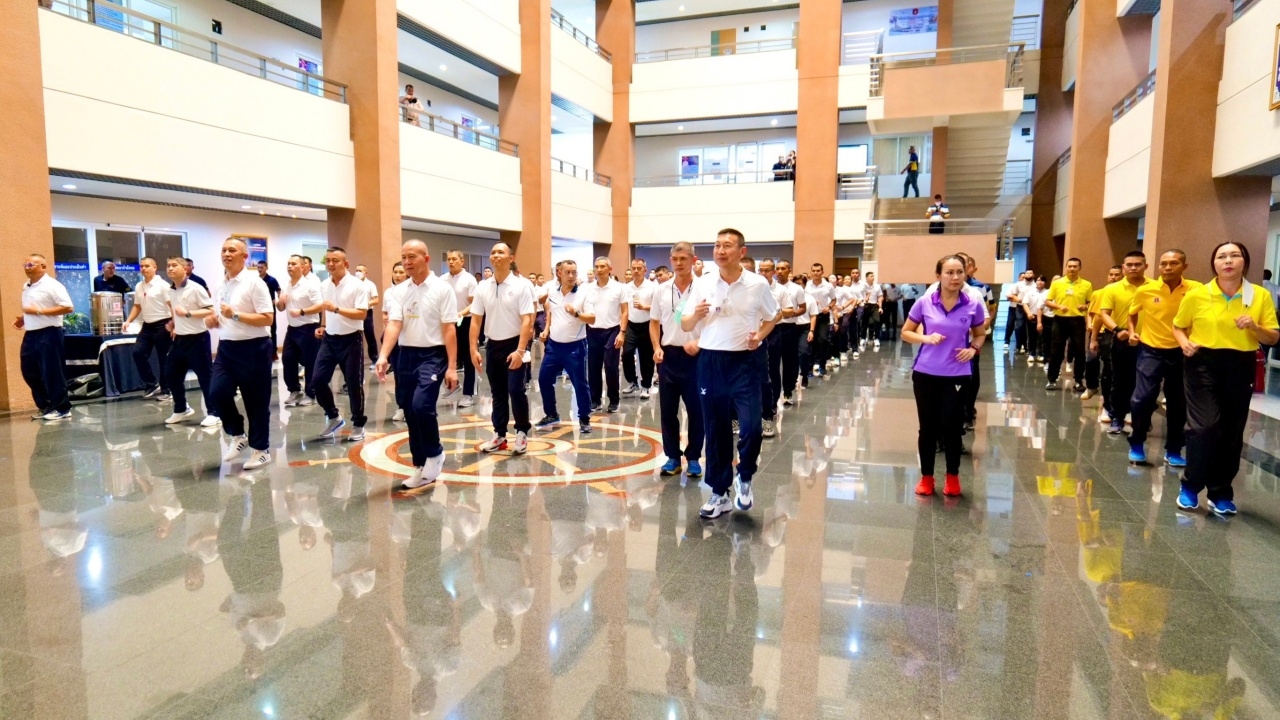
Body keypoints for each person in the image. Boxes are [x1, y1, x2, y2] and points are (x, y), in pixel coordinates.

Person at [1171, 242, 1279, 516]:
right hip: (1202, 363)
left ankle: (1220, 492)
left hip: (1240, 364)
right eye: (1221, 256)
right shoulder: (1197, 295)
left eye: (1235, 255)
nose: (1228, 260)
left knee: (1232, 433)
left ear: (1245, 261)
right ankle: (1191, 485)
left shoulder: (1259, 296)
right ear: (1214, 263)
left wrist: (1254, 326)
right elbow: (1178, 326)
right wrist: (1184, 343)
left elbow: (1273, 337)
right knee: (1204, 427)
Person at [681, 229, 779, 519]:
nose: (720, 250)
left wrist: (759, 336)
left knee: (751, 427)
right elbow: (685, 323)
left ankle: (744, 477)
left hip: (745, 364)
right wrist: (695, 316)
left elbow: (774, 317)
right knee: (716, 430)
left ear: (742, 251)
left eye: (727, 246)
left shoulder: (757, 284)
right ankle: (719, 492)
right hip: (710, 363)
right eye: (717, 245)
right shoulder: (703, 284)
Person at [376, 240, 459, 492]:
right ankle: (420, 464)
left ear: (426, 258)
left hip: (433, 355)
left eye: (411, 257)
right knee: (409, 410)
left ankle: (435, 454)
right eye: (403, 258)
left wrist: (452, 366)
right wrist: (383, 356)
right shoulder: (398, 291)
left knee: (421, 405)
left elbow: (449, 329)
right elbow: (394, 324)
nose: (406, 262)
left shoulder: (442, 289)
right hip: (406, 356)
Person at [902, 255, 986, 497]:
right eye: (949, 272)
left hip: (957, 375)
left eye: (959, 272)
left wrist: (973, 349)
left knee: (952, 427)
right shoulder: (924, 303)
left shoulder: (972, 304)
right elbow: (906, 332)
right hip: (925, 373)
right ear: (938, 275)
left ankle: (952, 477)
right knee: (927, 428)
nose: (955, 277)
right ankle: (927, 478)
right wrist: (925, 338)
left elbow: (980, 334)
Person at [1125, 250, 1200, 467]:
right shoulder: (1146, 290)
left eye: (1173, 263)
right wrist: (1132, 332)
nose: (1167, 267)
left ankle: (1174, 449)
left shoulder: (1196, 290)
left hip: (1182, 351)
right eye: (1163, 264)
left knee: (1178, 403)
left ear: (1184, 267)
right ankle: (1137, 442)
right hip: (1151, 350)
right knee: (1142, 399)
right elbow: (1132, 313)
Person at [207, 238, 275, 470]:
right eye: (223, 249)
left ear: (244, 256)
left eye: (232, 250)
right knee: (217, 393)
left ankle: (261, 450)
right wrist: (215, 320)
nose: (226, 254)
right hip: (227, 348)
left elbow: (268, 318)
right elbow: (222, 314)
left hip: (254, 347)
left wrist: (234, 315)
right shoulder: (221, 284)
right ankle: (237, 434)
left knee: (256, 402)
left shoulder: (255, 283)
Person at [470, 243, 535, 453]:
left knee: (516, 390)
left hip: (515, 344)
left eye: (501, 252)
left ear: (511, 258)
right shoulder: (483, 287)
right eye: (493, 252)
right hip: (493, 345)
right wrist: (473, 349)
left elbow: (528, 321)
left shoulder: (521, 286)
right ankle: (499, 435)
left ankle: (522, 432)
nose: (496, 255)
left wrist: (520, 350)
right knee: (497, 393)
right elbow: (476, 321)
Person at [649, 242, 704, 478]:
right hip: (669, 356)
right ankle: (672, 456)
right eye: (675, 259)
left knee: (696, 410)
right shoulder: (661, 289)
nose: (679, 263)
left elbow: (714, 323)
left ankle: (693, 457)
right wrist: (656, 347)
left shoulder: (704, 288)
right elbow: (653, 322)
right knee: (668, 410)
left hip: (696, 356)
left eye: (684, 258)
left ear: (693, 259)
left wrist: (700, 342)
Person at [313, 248, 372, 443]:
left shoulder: (357, 285)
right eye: (328, 260)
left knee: (354, 384)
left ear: (346, 264)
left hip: (351, 339)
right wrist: (323, 325)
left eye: (335, 260)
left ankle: (358, 424)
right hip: (330, 339)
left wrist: (336, 309)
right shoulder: (324, 284)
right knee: (318, 381)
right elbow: (325, 309)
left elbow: (362, 314)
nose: (330, 264)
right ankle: (333, 416)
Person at [1098, 252, 1158, 435]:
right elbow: (1104, 313)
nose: (1133, 268)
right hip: (1122, 339)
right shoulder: (1113, 289)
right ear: (1123, 267)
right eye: (1129, 265)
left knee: (1148, 382)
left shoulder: (1156, 287)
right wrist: (1118, 330)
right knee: (1120, 380)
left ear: (1146, 266)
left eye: (1137, 264)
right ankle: (1117, 416)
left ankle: (1143, 418)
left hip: (1150, 341)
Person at [535, 260, 593, 435]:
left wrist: (576, 313)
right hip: (553, 346)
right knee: (544, 379)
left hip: (575, 347)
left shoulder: (584, 294)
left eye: (574, 272)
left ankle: (584, 418)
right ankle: (551, 414)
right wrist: (546, 329)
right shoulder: (553, 291)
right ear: (559, 273)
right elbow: (550, 312)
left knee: (580, 384)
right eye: (567, 272)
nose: (571, 276)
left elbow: (592, 318)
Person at [16, 254, 75, 421]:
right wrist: (24, 318)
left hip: (50, 333)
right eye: (25, 264)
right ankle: (47, 405)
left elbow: (68, 307)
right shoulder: (27, 285)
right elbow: (33, 307)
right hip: (31, 333)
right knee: (29, 371)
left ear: (43, 266)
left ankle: (62, 408)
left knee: (52, 372)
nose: (27, 267)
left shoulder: (53, 285)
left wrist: (39, 312)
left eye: (31, 264)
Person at [163, 256, 220, 427]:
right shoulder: (170, 290)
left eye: (174, 266)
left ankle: (214, 413)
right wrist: (174, 324)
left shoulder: (196, 288)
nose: (170, 269)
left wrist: (187, 313)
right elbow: (175, 311)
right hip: (179, 339)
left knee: (205, 377)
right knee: (170, 374)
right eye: (168, 266)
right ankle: (181, 409)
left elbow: (210, 310)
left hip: (198, 339)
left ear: (185, 268)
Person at [124, 256, 174, 401]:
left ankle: (166, 390)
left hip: (163, 324)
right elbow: (137, 306)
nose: (144, 269)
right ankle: (151, 383)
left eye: (147, 266)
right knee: (138, 353)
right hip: (147, 325)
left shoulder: (163, 285)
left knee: (163, 358)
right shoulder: (139, 286)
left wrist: (174, 325)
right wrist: (128, 320)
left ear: (154, 267)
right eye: (141, 266)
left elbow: (172, 305)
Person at [279, 254, 323, 408]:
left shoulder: (310, 285)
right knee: (287, 358)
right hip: (292, 329)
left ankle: (311, 393)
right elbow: (280, 308)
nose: (290, 266)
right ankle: (294, 390)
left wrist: (302, 311)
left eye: (293, 264)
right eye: (288, 263)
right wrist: (280, 301)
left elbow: (320, 305)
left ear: (303, 267)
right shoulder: (287, 285)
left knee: (310, 362)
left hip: (308, 328)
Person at [583, 257, 625, 414]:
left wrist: (622, 332)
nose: (599, 270)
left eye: (602, 267)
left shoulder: (619, 288)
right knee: (593, 367)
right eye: (596, 267)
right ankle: (595, 400)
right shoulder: (588, 288)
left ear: (610, 269)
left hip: (612, 330)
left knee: (610, 366)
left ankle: (614, 400)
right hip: (593, 331)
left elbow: (625, 311)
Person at [1044, 258, 1092, 392]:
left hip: (1077, 320)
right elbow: (1048, 302)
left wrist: (1085, 306)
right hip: (1060, 320)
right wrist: (1058, 306)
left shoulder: (1086, 284)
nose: (1072, 269)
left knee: (1079, 352)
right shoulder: (1057, 283)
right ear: (1066, 268)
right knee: (1056, 351)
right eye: (1069, 266)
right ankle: (1052, 380)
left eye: (1075, 266)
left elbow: (1090, 303)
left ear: (1079, 268)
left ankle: (1078, 380)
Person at [758, 258, 793, 438]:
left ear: (773, 272)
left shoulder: (780, 290)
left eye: (767, 270)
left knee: (772, 369)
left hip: (774, 331)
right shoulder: (755, 286)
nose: (763, 274)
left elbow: (790, 310)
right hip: (755, 330)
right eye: (761, 270)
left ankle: (772, 405)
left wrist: (776, 314)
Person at [443, 250, 479, 408]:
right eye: (449, 259)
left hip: (465, 322)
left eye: (454, 259)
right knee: (447, 357)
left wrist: (460, 314)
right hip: (448, 323)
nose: (451, 262)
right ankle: (452, 386)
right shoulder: (442, 279)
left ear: (462, 261)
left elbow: (474, 303)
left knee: (467, 359)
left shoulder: (469, 279)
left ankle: (468, 394)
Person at [1084, 265, 1123, 406]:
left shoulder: (1123, 292)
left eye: (1117, 274)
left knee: (1109, 366)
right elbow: (1093, 313)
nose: (1113, 277)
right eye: (1111, 274)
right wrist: (1090, 325)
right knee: (1091, 360)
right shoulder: (1098, 293)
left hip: (1113, 333)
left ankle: (1109, 402)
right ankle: (1091, 386)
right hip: (1097, 331)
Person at [621, 257, 658, 399]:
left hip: (647, 325)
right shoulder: (626, 287)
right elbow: (623, 308)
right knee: (626, 354)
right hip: (631, 325)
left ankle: (646, 385)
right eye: (633, 268)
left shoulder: (652, 287)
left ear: (645, 270)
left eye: (639, 268)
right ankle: (632, 381)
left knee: (646, 357)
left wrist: (644, 307)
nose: (636, 271)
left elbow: (658, 307)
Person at [382, 261, 410, 421]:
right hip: (394, 339)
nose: (398, 275)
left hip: (409, 338)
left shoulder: (411, 291)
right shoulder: (388, 292)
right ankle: (401, 406)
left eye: (401, 272)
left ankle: (410, 406)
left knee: (408, 375)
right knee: (398, 374)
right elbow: (385, 314)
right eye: (395, 272)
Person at [776, 261, 807, 406]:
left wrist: (791, 313)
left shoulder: (796, 289)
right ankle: (773, 394)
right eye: (778, 269)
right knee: (773, 363)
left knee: (790, 362)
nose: (780, 271)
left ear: (789, 270)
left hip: (790, 328)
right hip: (773, 328)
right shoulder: (769, 287)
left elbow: (803, 308)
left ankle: (788, 391)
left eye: (783, 268)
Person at [807, 263, 836, 376]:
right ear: (811, 272)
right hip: (810, 316)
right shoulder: (807, 285)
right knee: (811, 341)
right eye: (813, 270)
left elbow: (834, 300)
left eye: (818, 270)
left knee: (823, 339)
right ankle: (809, 367)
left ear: (822, 272)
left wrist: (828, 307)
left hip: (823, 316)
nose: (815, 273)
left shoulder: (828, 286)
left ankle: (822, 365)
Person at [354, 264, 381, 366]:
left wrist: (366, 304)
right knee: (356, 336)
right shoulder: (353, 284)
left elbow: (376, 300)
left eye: (360, 270)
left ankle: (374, 359)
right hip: (355, 312)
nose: (358, 272)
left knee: (370, 336)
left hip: (367, 313)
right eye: (356, 270)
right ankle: (356, 360)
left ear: (366, 272)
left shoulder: (370, 285)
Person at [256, 260, 281, 360]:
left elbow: (279, 292)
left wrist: (276, 301)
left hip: (270, 310)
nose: (260, 269)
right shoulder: (256, 280)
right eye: (258, 267)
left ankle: (273, 353)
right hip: (259, 310)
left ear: (266, 267)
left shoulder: (272, 280)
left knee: (272, 330)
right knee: (261, 331)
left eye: (261, 267)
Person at [1021, 275, 1048, 363]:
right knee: (1032, 336)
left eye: (1042, 280)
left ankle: (1041, 354)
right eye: (1038, 280)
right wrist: (1028, 313)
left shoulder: (1048, 292)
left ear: (1045, 283)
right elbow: (1025, 303)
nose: (1040, 282)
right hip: (1032, 316)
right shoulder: (1030, 292)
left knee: (1043, 336)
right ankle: (1031, 354)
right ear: (1035, 281)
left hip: (1044, 317)